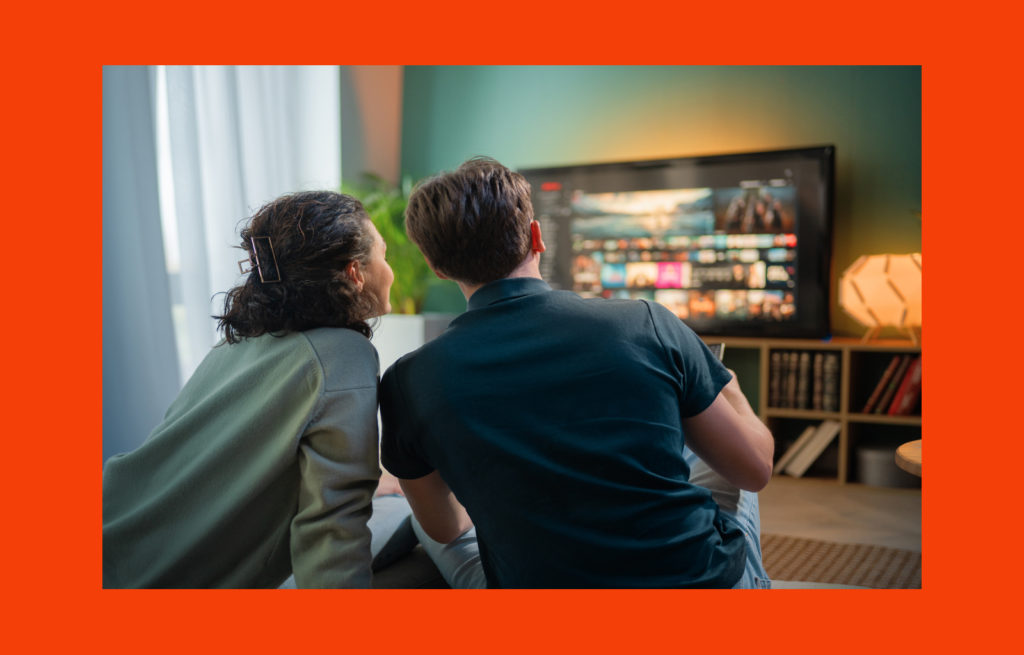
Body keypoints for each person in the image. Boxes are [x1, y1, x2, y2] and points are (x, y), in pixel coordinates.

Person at [380, 157, 775, 588]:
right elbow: (755, 470)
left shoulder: (408, 380)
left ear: (437, 266)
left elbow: (447, 528)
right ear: (536, 237)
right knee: (714, 432)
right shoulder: (647, 322)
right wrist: (725, 383)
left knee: (421, 519)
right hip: (695, 589)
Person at [104, 190, 411, 588]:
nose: (390, 270)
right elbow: (333, 529)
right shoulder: (343, 355)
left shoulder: (238, 341)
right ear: (355, 272)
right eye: (383, 255)